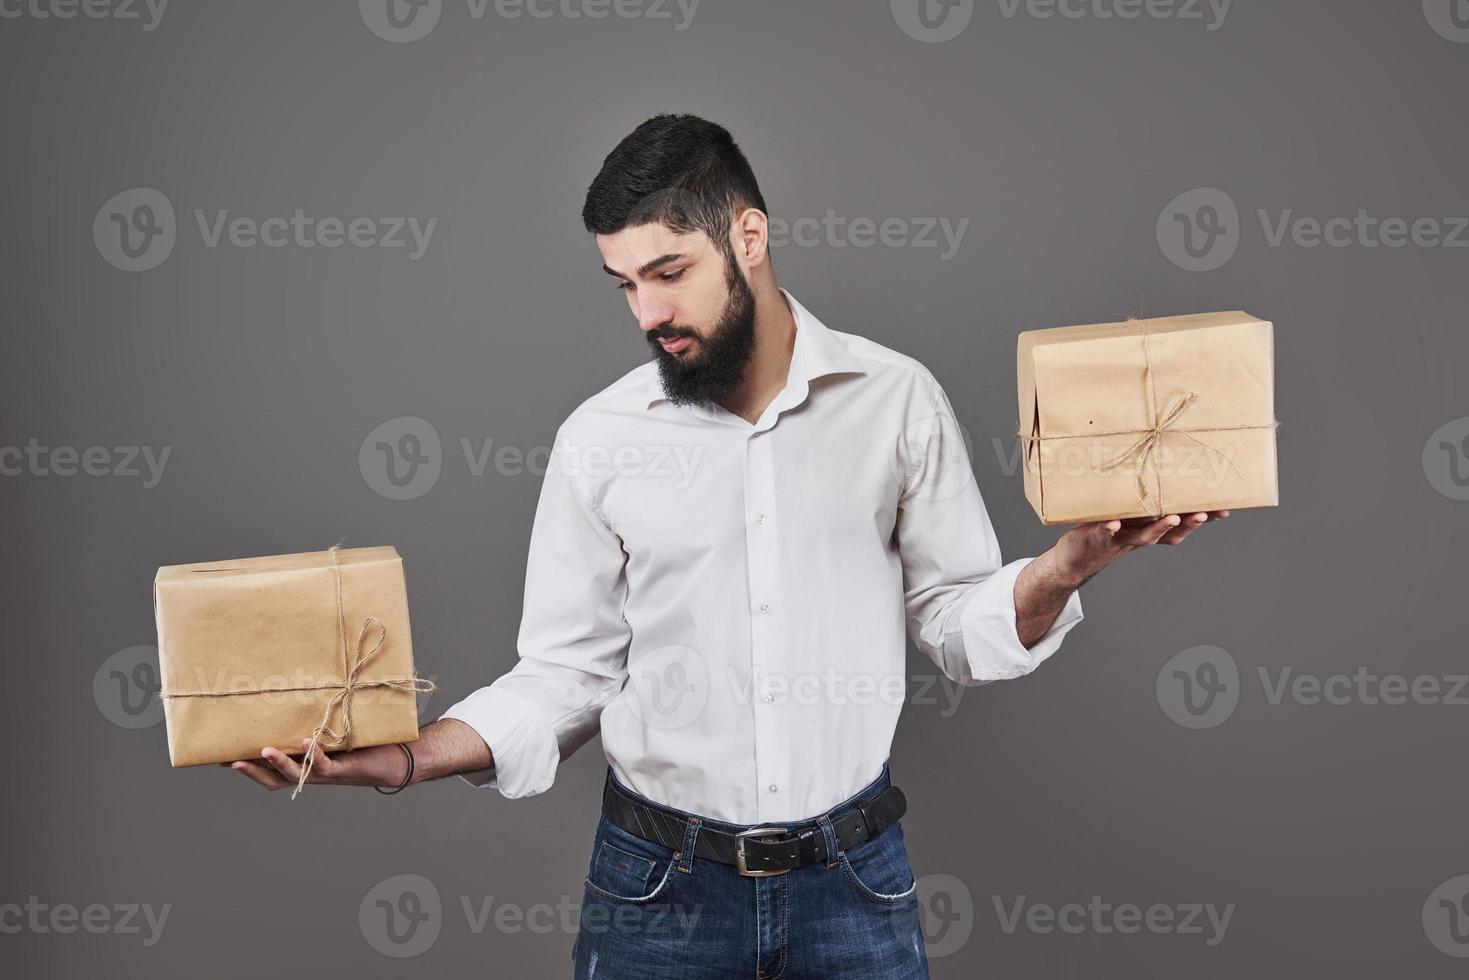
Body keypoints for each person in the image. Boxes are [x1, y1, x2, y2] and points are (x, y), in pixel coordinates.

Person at [229, 114, 1229, 978]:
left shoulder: (895, 400)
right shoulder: (599, 440)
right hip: (654, 887)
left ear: (747, 235)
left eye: (669, 272)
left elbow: (955, 621)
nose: (648, 313)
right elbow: (561, 677)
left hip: (852, 882)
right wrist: (403, 759)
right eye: (622, 283)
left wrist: (1066, 566)